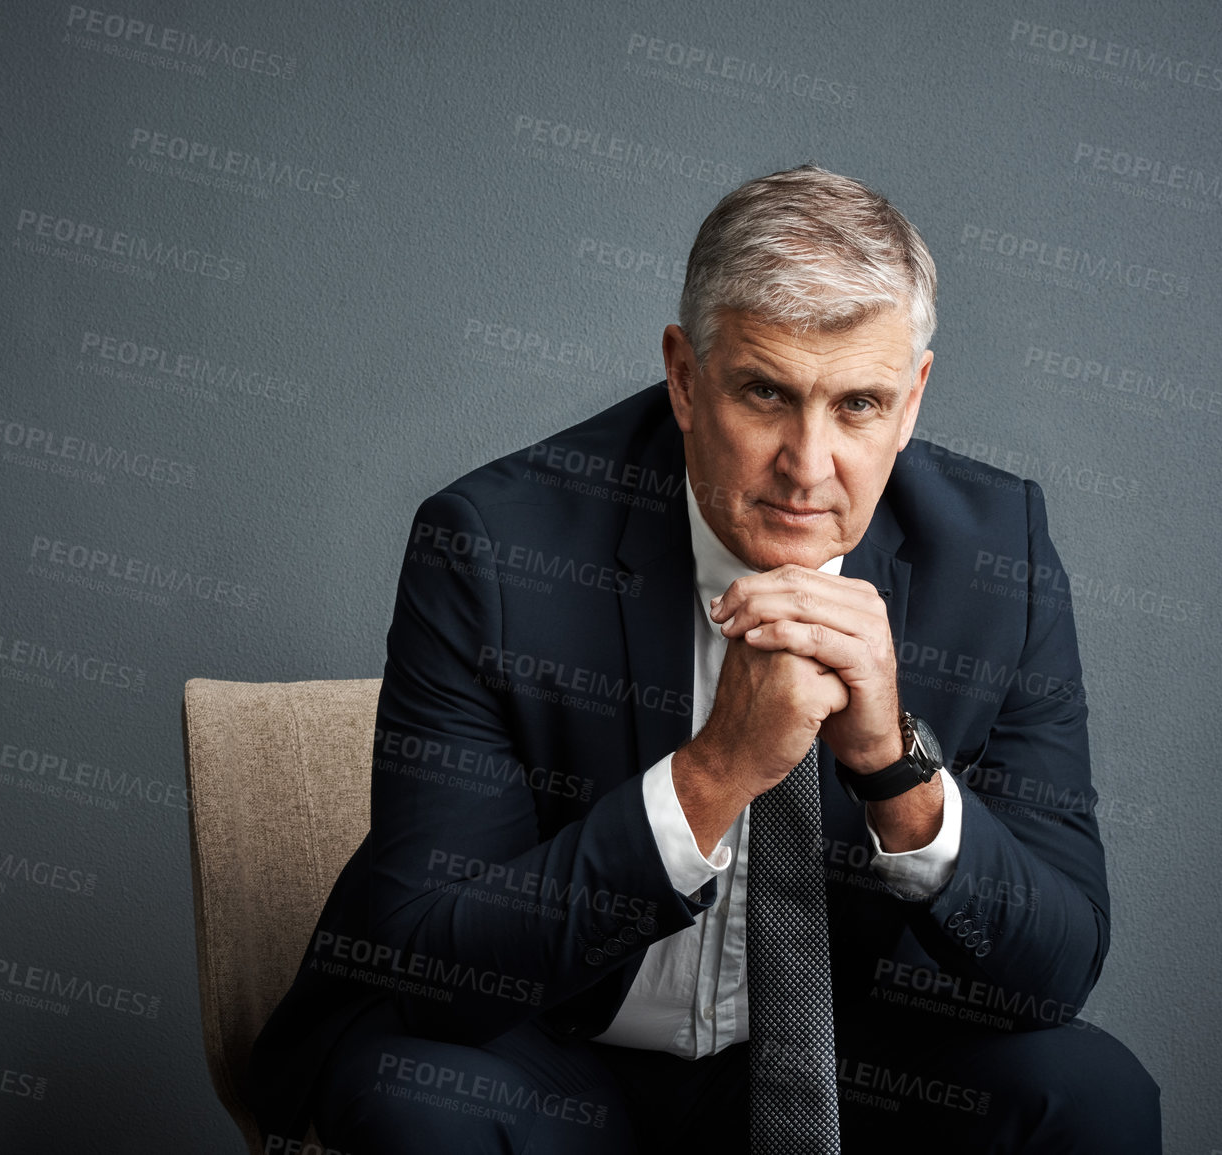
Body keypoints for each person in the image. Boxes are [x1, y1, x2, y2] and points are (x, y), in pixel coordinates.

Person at [244, 164, 1162, 1152]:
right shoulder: (494, 549)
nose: (809, 468)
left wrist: (894, 766)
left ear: (912, 400)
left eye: (858, 405)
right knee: (418, 1098)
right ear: (686, 378)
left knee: (1089, 1093)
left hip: (850, 1065)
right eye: (766, 394)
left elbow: (1053, 972)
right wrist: (713, 774)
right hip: (559, 1046)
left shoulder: (994, 558)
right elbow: (436, 969)